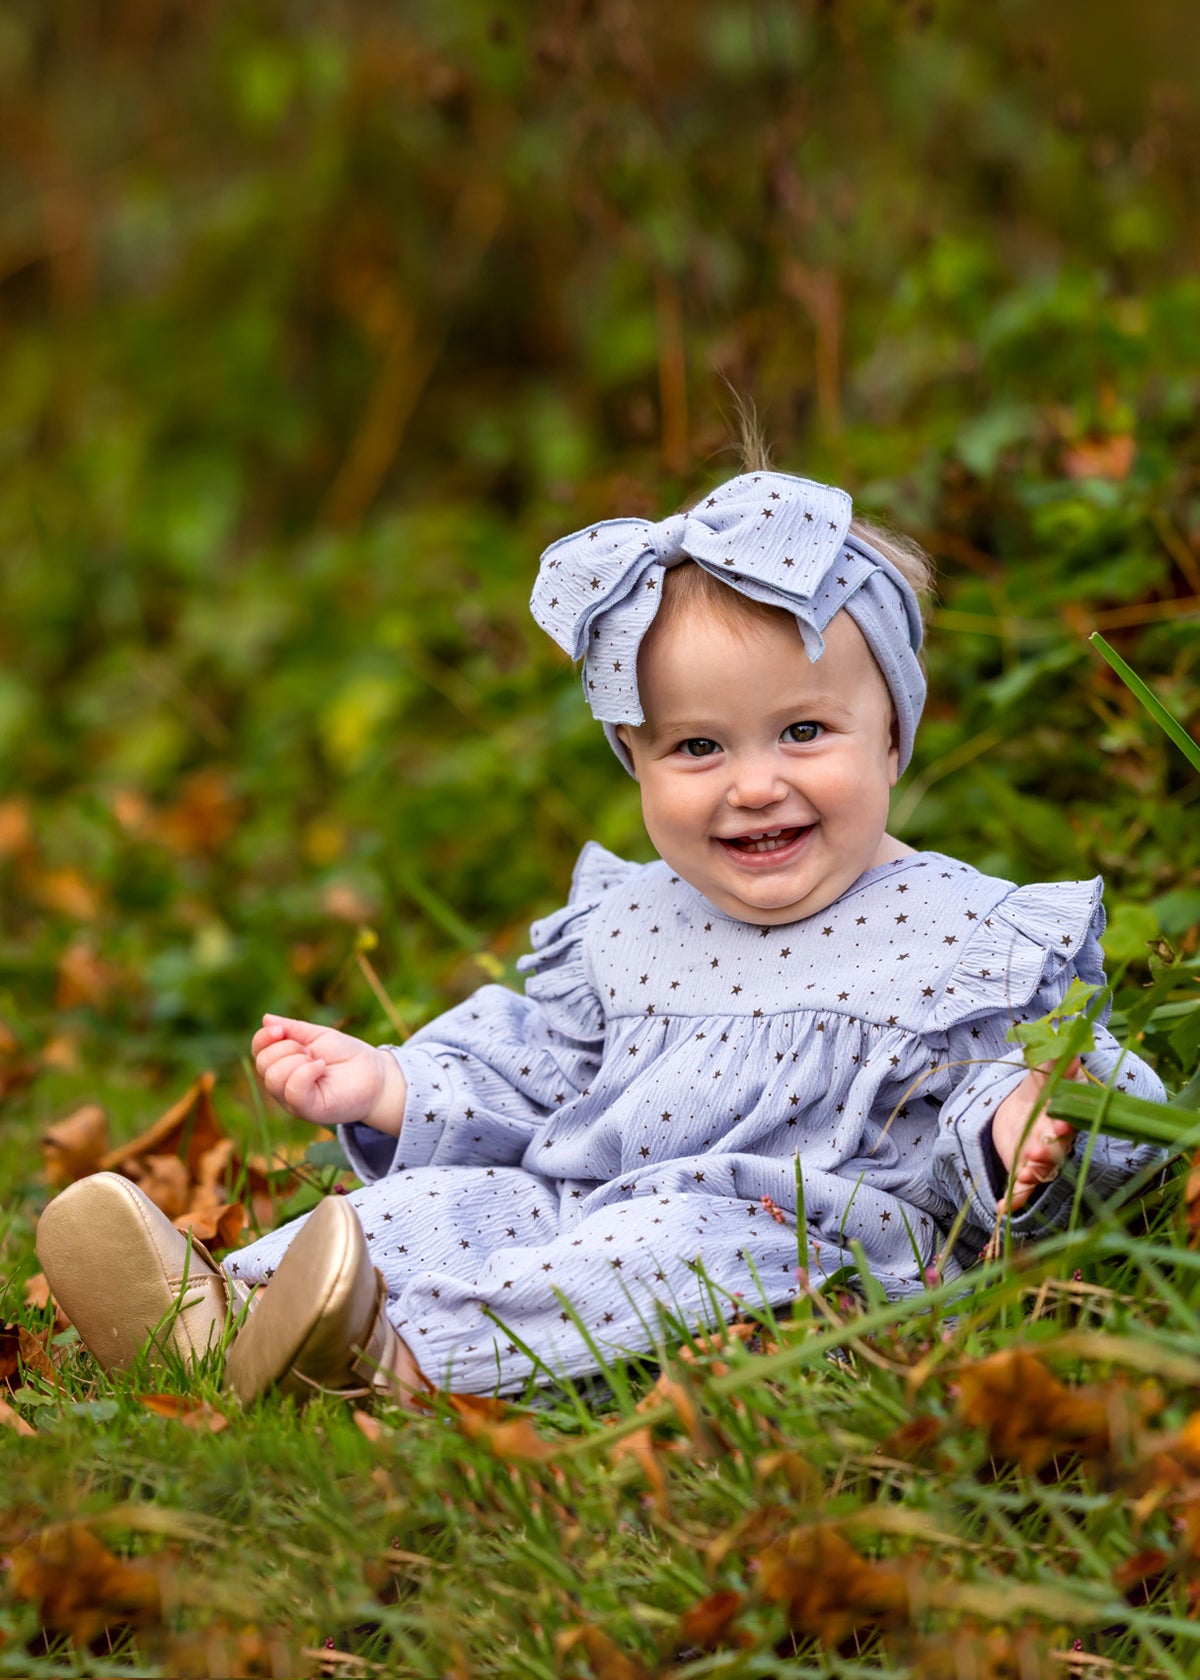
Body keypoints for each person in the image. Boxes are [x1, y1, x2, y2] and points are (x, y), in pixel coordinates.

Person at [37, 466, 1164, 1406]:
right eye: (696, 749)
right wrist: (389, 1085)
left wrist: (1025, 1117)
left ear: (892, 739)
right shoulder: (632, 925)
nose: (754, 786)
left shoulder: (961, 934)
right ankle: (218, 1318)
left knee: (669, 1242)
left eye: (804, 731)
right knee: (433, 1208)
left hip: (794, 1231)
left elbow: (1014, 1079)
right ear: (637, 760)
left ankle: (396, 1364)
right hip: (579, 1199)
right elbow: (530, 1071)